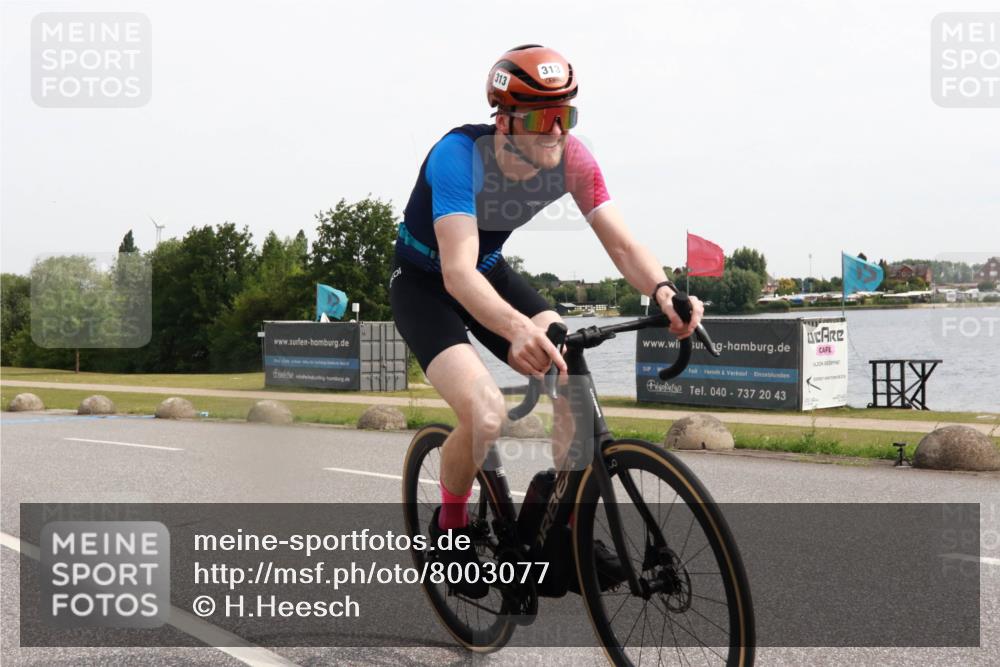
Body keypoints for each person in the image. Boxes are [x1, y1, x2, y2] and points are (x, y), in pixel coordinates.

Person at [390, 44, 704, 598]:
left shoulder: (573, 159)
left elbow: (623, 245)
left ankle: (560, 527)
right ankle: (451, 531)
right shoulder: (457, 157)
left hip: (490, 272)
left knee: (569, 376)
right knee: (485, 413)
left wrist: (662, 290)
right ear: (504, 121)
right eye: (541, 118)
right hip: (426, 286)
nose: (556, 131)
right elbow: (457, 273)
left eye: (565, 115)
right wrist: (516, 329)